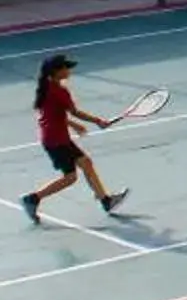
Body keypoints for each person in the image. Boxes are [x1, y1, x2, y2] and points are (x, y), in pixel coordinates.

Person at [22, 53, 127, 223]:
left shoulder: (45, 88)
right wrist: (98, 121)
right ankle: (33, 199)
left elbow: (52, 115)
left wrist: (73, 125)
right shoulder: (60, 91)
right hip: (57, 141)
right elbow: (75, 112)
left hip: (54, 139)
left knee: (86, 163)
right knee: (70, 178)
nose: (69, 70)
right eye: (66, 67)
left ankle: (106, 201)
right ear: (57, 71)